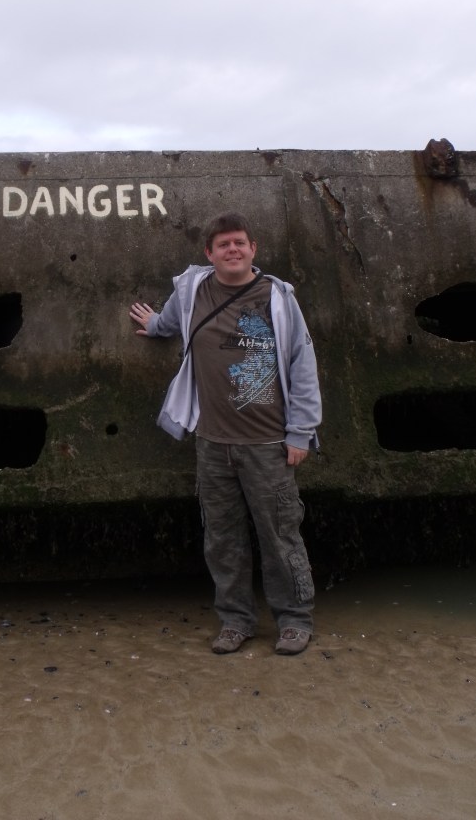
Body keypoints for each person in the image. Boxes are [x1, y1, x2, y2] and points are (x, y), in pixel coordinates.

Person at [129, 211, 321, 655]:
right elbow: (174, 321)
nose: (232, 250)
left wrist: (300, 433)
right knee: (222, 538)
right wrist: (155, 324)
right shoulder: (194, 289)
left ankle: (294, 620)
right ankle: (236, 621)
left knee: (280, 536)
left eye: (239, 243)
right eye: (223, 245)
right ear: (209, 254)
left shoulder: (278, 297)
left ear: (253, 249)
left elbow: (302, 365)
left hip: (268, 444)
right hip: (212, 443)